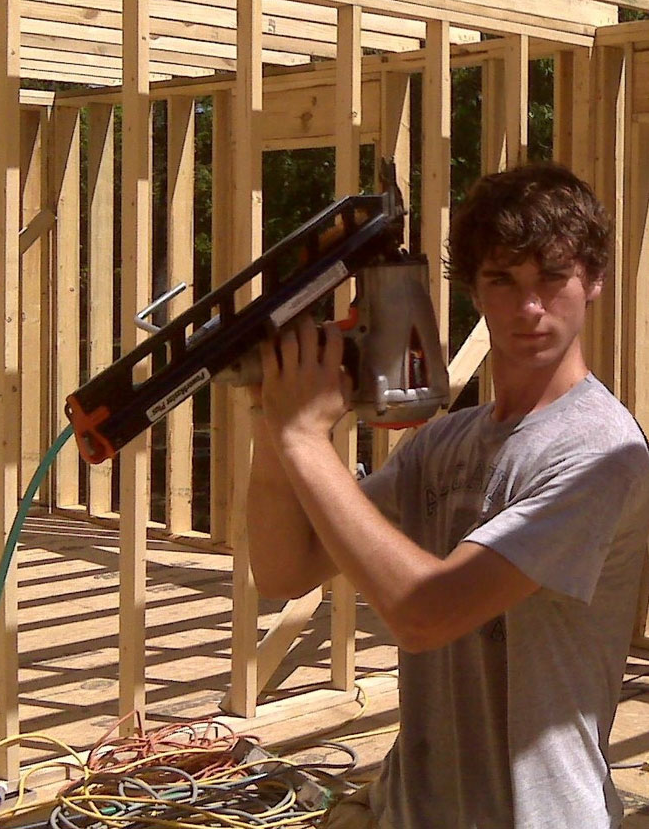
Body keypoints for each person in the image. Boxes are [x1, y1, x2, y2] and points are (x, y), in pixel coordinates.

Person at [246, 162, 649, 828]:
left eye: (553, 277)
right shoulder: (444, 443)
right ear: (475, 291)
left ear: (595, 280)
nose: (529, 307)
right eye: (503, 279)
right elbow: (284, 569)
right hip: (412, 809)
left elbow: (426, 614)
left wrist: (305, 440)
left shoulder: (602, 453)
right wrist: (272, 415)